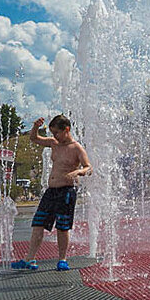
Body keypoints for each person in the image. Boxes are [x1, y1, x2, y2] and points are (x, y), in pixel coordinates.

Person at [12, 114, 91, 272]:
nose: (54, 136)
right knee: (38, 223)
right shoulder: (54, 143)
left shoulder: (76, 148)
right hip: (51, 191)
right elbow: (34, 139)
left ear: (66, 129)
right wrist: (35, 126)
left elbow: (89, 167)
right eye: (52, 133)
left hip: (66, 191)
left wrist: (78, 172)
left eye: (57, 132)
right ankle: (30, 259)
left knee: (62, 227)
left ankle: (62, 260)